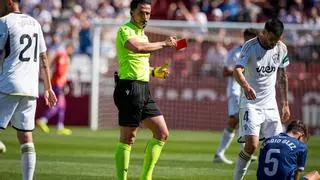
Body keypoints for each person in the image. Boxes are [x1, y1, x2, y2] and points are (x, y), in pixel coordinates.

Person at [113, 0, 177, 180]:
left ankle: (145, 177)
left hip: (143, 88)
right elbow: (138, 48)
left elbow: (141, 64)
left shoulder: (144, 35)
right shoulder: (125, 30)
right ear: (132, 12)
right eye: (142, 12)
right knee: (128, 138)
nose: (146, 16)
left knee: (162, 133)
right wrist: (164, 43)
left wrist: (155, 72)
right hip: (128, 88)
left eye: (148, 13)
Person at [0, 1, 57, 180]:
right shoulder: (35, 23)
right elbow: (44, 58)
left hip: (9, 84)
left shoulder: (4, 22)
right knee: (26, 138)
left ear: (9, 2)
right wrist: (48, 88)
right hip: (30, 88)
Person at [233, 18, 290, 180]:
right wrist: (246, 86)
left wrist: (285, 103)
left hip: (270, 104)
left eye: (276, 40)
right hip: (251, 103)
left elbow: (283, 76)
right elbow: (237, 70)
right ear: (264, 33)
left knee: (277, 148)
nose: (273, 43)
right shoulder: (250, 46)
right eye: (271, 39)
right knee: (251, 146)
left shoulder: (281, 48)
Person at [213, 28, 258, 165]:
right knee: (235, 120)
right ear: (245, 38)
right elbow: (226, 71)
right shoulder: (235, 52)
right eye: (251, 38)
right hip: (235, 91)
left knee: (241, 120)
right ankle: (219, 153)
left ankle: (244, 151)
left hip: (247, 90)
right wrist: (240, 70)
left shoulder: (255, 52)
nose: (253, 41)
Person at [36, 42, 74, 135]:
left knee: (62, 106)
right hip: (58, 83)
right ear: (69, 48)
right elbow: (60, 70)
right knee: (58, 105)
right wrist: (61, 82)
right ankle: (43, 120)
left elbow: (53, 64)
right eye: (72, 49)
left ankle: (60, 127)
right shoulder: (63, 55)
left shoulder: (61, 55)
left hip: (58, 83)